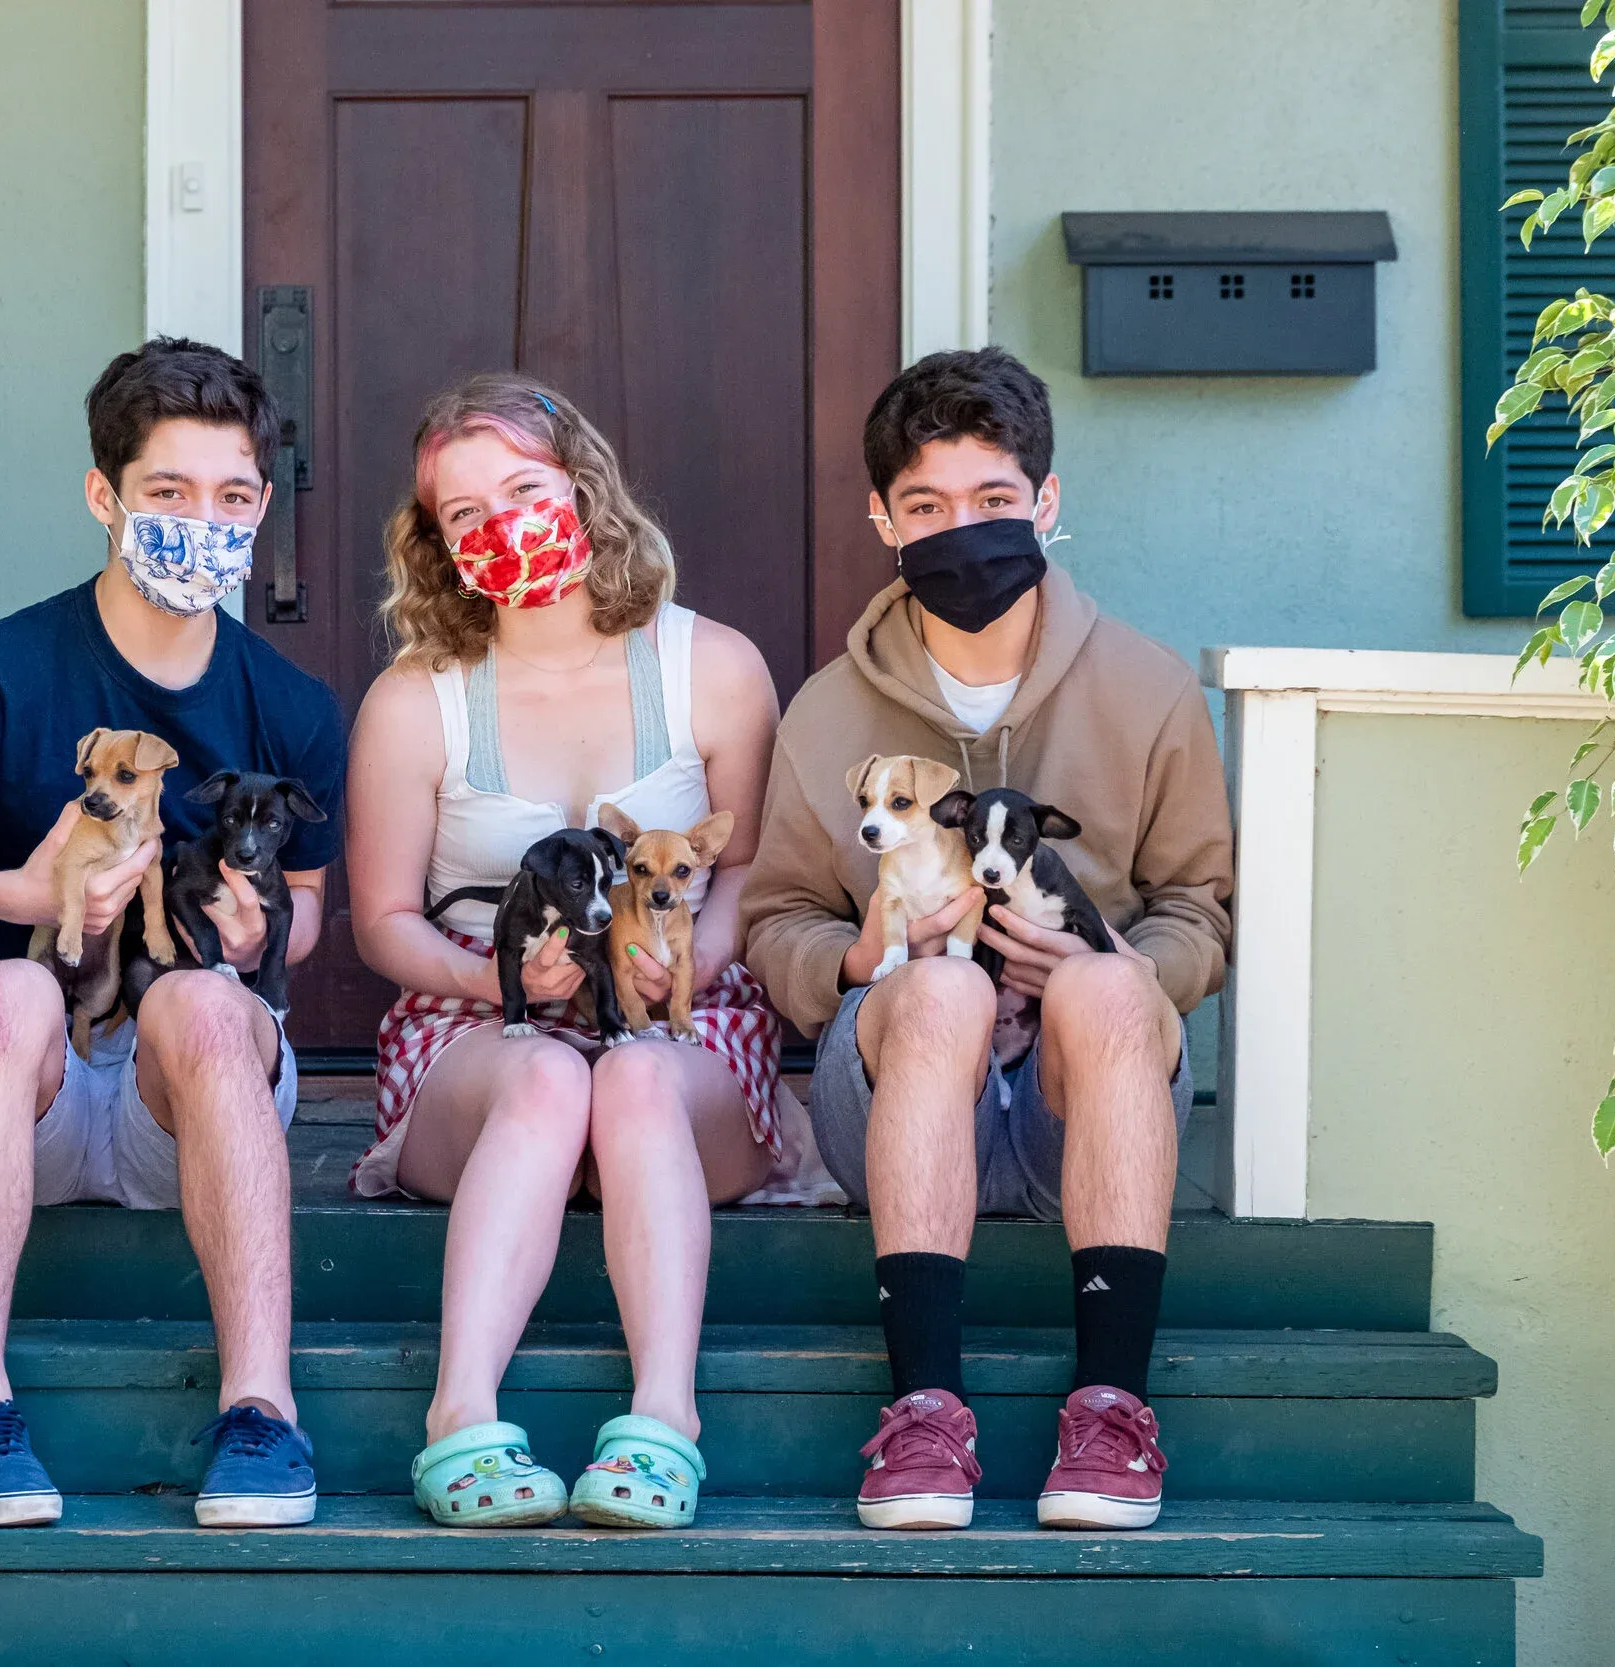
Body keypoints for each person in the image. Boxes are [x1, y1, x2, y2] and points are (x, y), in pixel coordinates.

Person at [0, 338, 347, 1530]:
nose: (203, 523)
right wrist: (14, 892)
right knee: (4, 992)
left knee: (204, 1001)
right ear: (105, 496)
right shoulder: (3, 666)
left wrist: (255, 947)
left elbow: (302, 913)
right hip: (19, 1089)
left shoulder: (292, 706)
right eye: (169, 492)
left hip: (181, 1100)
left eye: (231, 496)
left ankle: (262, 1413)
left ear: (261, 507)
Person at [738, 347, 1233, 1532]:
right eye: (926, 506)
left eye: (994, 498)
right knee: (938, 996)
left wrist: (1124, 966)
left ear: (1046, 502)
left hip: (1086, 1090)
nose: (963, 531)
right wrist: (859, 956)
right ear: (882, 518)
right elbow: (774, 918)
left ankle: (1111, 1410)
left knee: (1107, 990)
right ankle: (922, 1413)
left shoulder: (1149, 688)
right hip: (904, 1088)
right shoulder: (828, 710)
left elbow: (1199, 907)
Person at [344, 374, 782, 1529]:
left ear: (582, 484)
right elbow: (381, 918)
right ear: (436, 543)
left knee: (632, 1074)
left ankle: (664, 1421)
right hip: (478, 1025)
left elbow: (750, 871)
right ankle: (460, 1417)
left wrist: (688, 966)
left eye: (523, 489)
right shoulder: (415, 698)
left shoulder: (713, 666)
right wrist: (493, 979)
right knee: (547, 1074)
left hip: (682, 1017)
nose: (502, 523)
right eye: (466, 512)